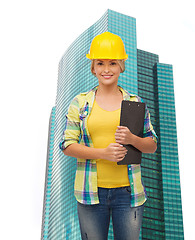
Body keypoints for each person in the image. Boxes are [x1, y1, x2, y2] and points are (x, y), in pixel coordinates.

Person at [59, 32, 157, 240]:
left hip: (129, 194)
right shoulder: (80, 102)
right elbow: (67, 145)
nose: (106, 69)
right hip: (90, 193)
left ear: (121, 66)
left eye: (112, 63)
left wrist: (132, 139)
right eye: (100, 63)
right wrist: (102, 153)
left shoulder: (135, 102)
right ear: (93, 67)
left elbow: (151, 145)